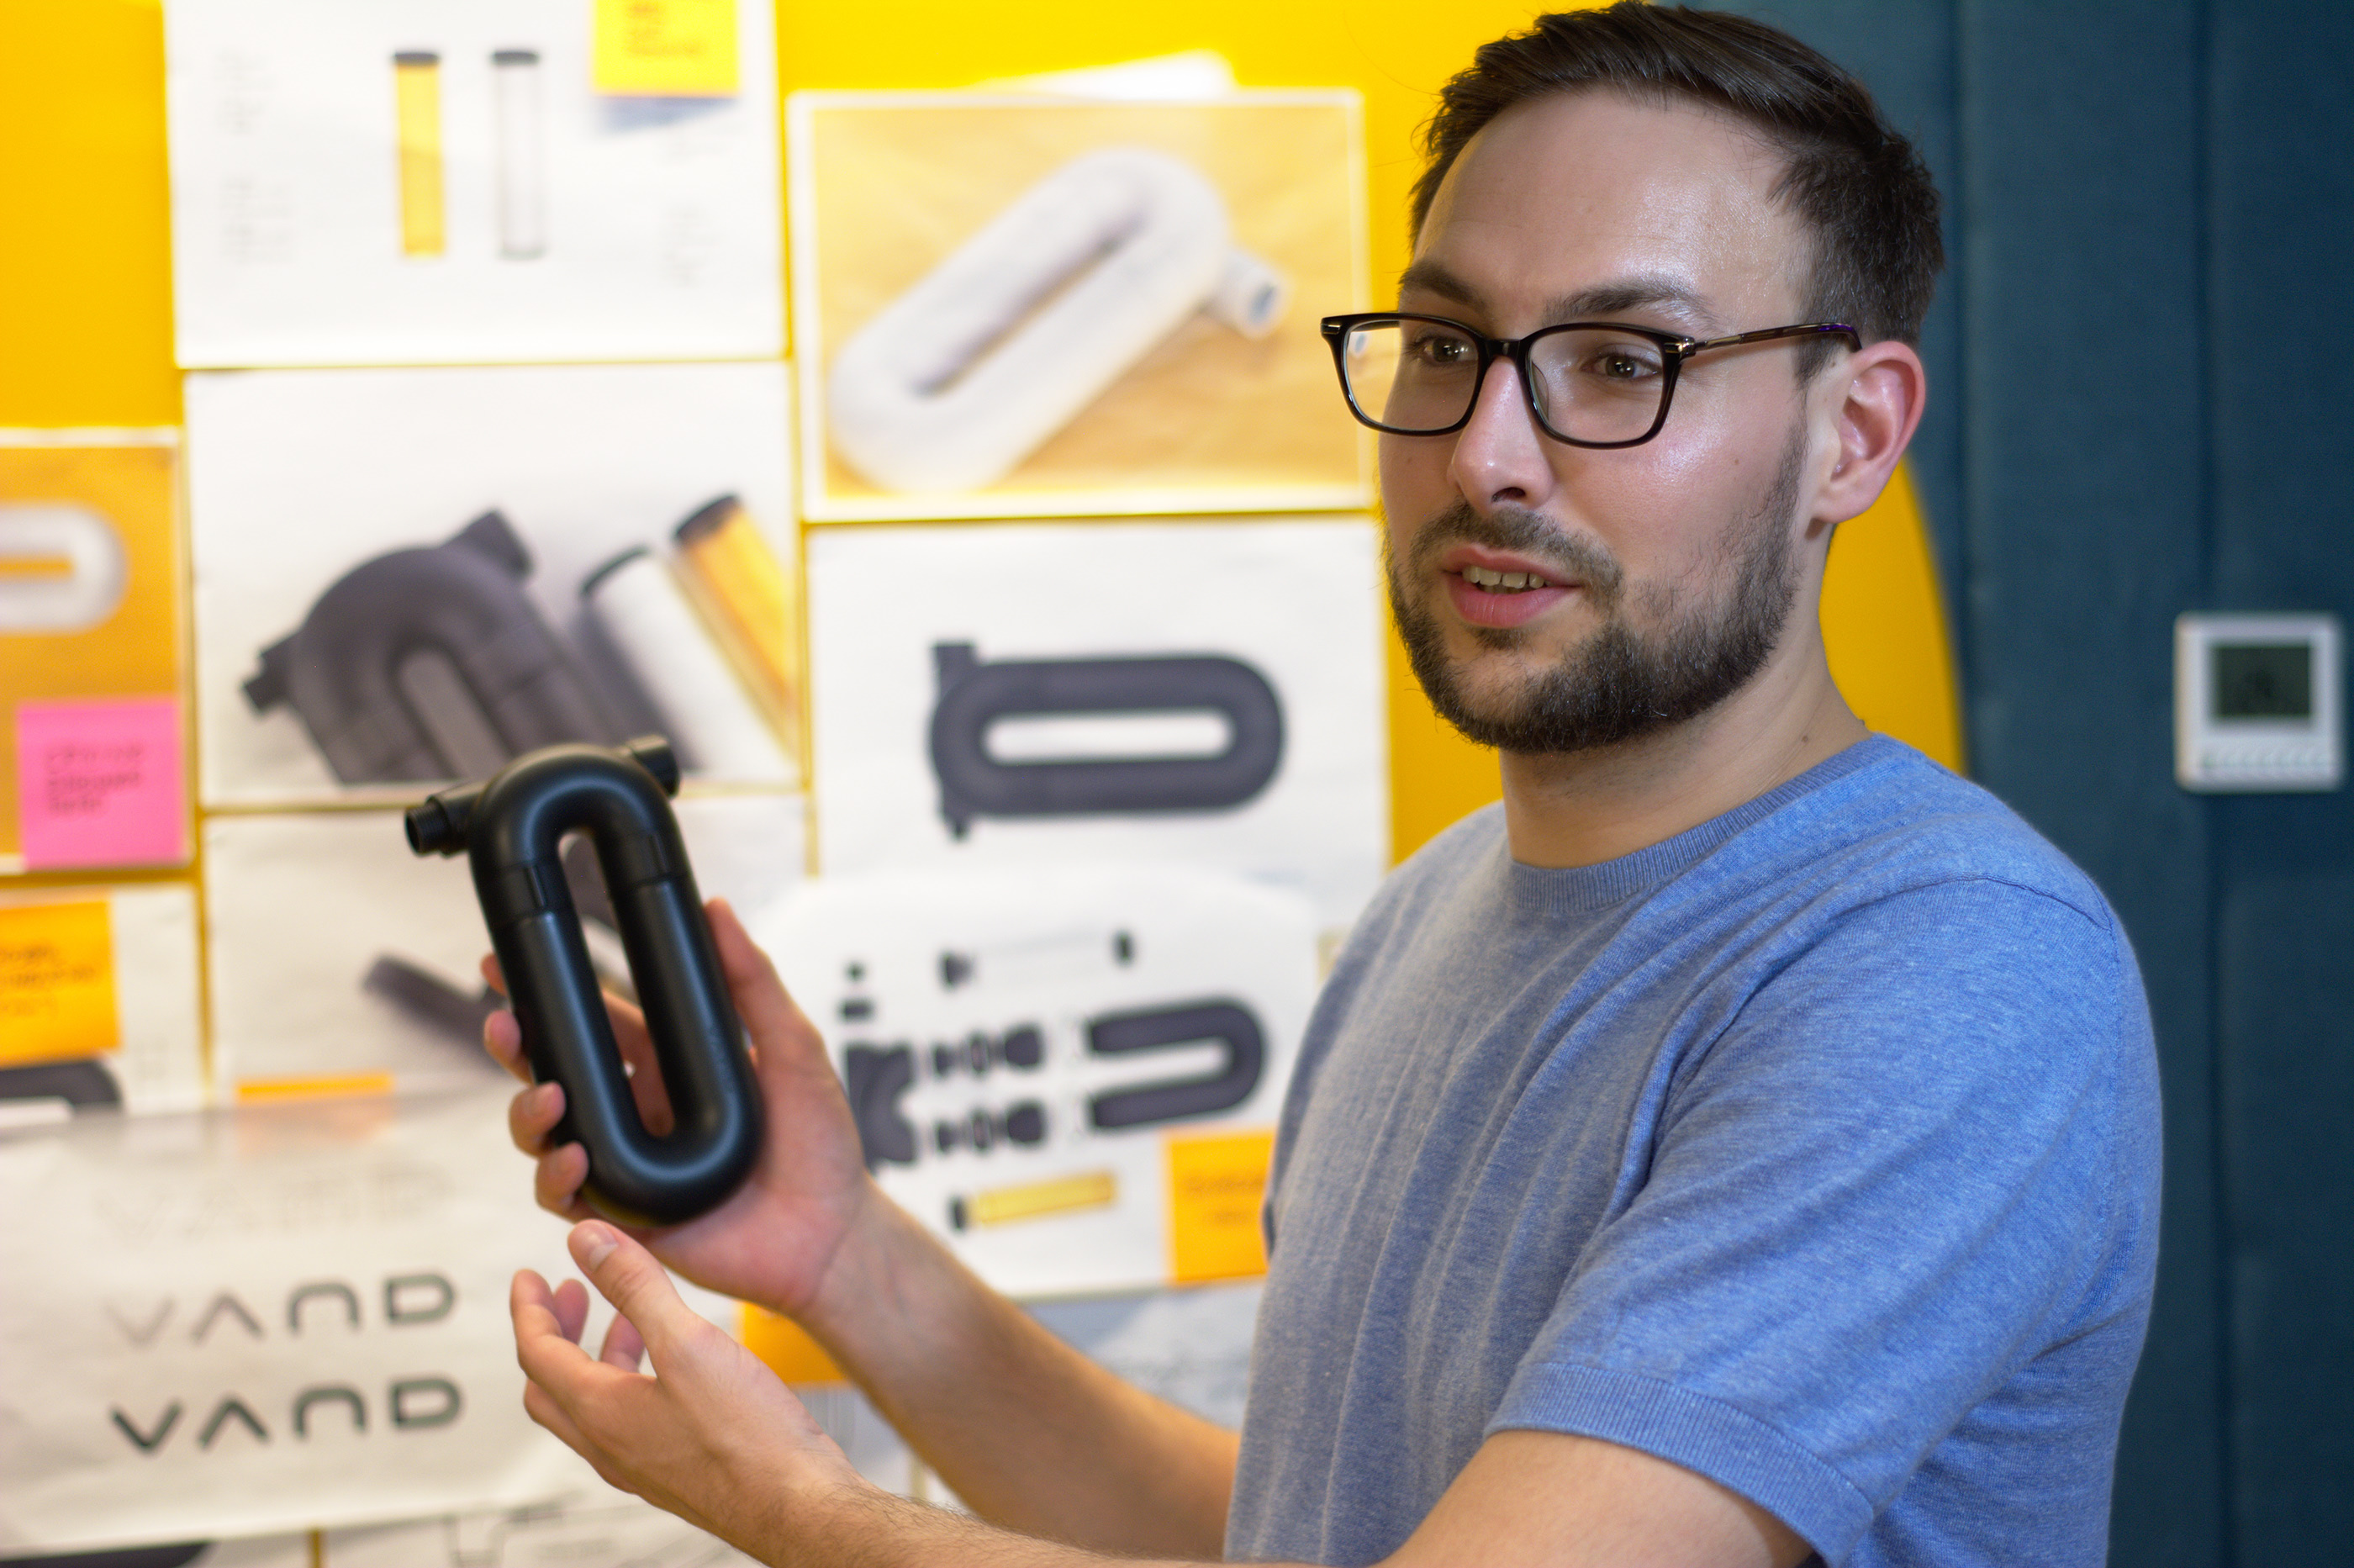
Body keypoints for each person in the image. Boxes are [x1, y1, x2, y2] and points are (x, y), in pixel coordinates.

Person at [485, 7, 2161, 1565]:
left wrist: (794, 1512)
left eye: (1620, 359)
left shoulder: (1948, 968)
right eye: (1444, 342)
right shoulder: (1431, 914)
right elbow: (1305, 1529)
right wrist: (847, 1255)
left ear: (1851, 435)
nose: (1485, 452)